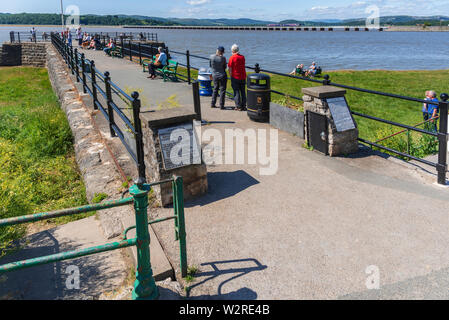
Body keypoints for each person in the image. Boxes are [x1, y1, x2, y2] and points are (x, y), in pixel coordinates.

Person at [228, 44, 247, 111]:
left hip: (235, 77)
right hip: (243, 76)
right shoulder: (242, 57)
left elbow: (230, 69)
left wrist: (231, 76)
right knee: (243, 91)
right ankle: (244, 105)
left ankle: (238, 106)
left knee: (236, 92)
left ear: (232, 50)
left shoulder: (232, 58)